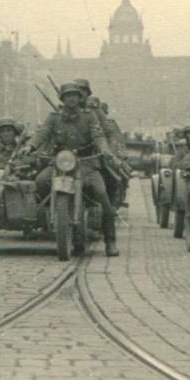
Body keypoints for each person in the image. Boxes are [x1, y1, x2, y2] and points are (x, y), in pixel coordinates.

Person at [28, 82, 121, 256]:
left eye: (75, 95)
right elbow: (43, 133)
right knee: (40, 182)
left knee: (101, 193)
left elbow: (98, 135)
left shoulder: (89, 116)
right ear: (62, 99)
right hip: (60, 162)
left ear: (80, 98)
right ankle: (40, 217)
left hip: (86, 163)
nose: (71, 98)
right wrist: (31, 146)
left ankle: (110, 241)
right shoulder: (54, 116)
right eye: (67, 95)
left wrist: (104, 149)